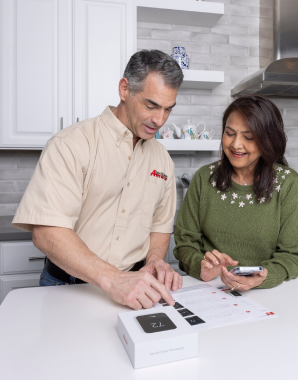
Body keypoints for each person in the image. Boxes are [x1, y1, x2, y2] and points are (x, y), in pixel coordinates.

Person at [12, 50, 184, 310]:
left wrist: (154, 261)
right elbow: (46, 233)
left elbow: (159, 228)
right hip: (67, 288)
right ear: (124, 89)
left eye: (168, 109)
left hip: (134, 290)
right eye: (151, 106)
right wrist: (115, 280)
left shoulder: (163, 161)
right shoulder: (70, 144)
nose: (159, 120)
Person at [174, 95, 298, 291]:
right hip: (210, 290)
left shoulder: (288, 183)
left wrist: (262, 277)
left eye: (249, 137)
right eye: (230, 133)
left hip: (268, 295)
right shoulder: (204, 178)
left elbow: (292, 255)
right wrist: (201, 267)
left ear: (268, 140)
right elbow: (185, 244)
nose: (236, 144)